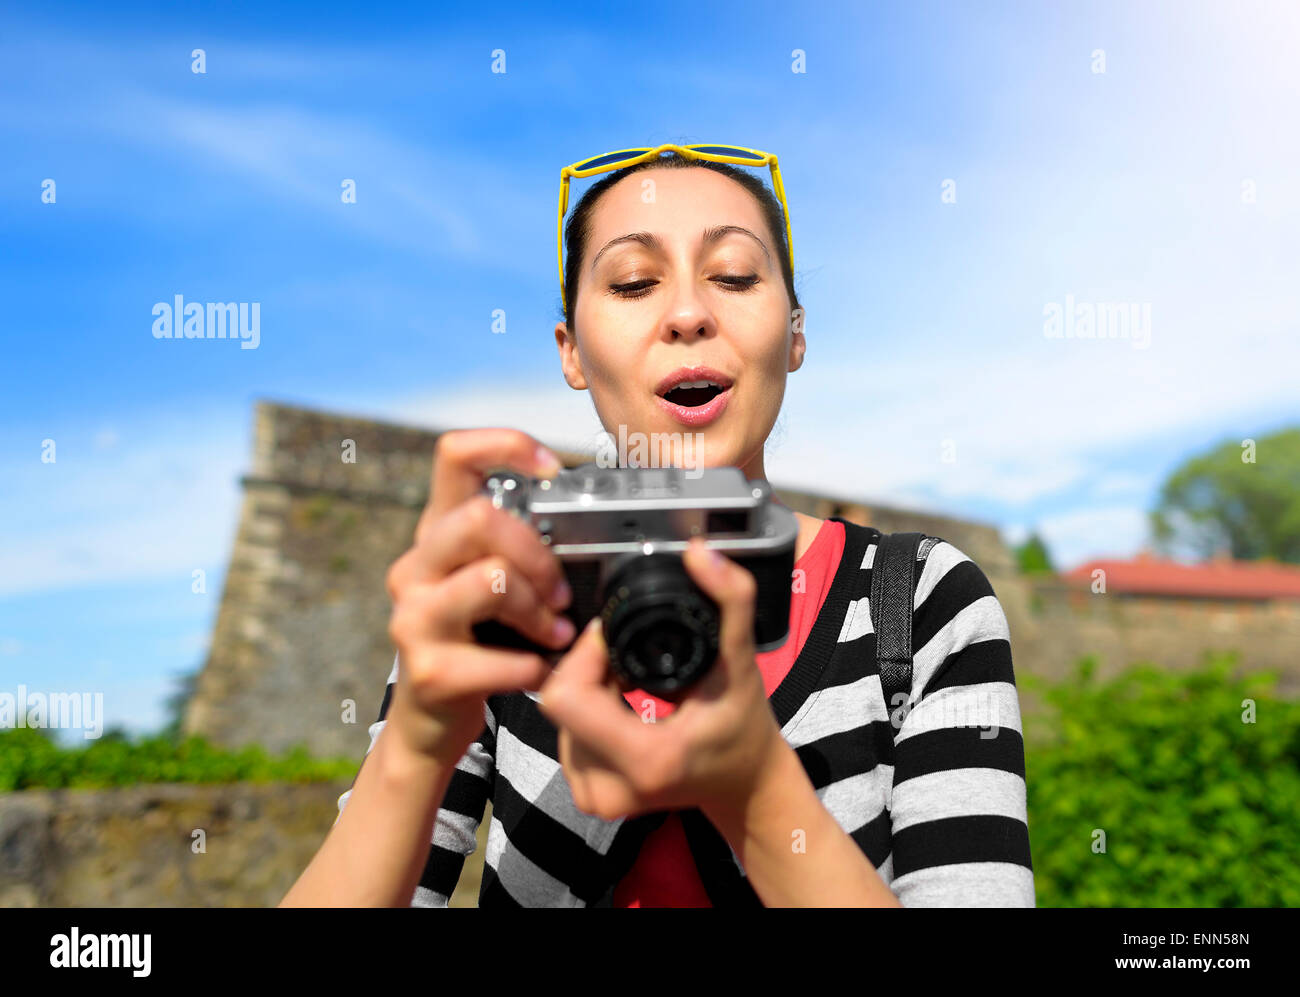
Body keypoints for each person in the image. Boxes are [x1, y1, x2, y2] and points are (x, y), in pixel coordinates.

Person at [281, 144, 1035, 907]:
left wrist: (754, 790)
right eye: (634, 282)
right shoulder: (506, 591)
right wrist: (412, 749)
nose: (686, 313)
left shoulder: (919, 600)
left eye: (736, 275)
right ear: (570, 351)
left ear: (796, 331)